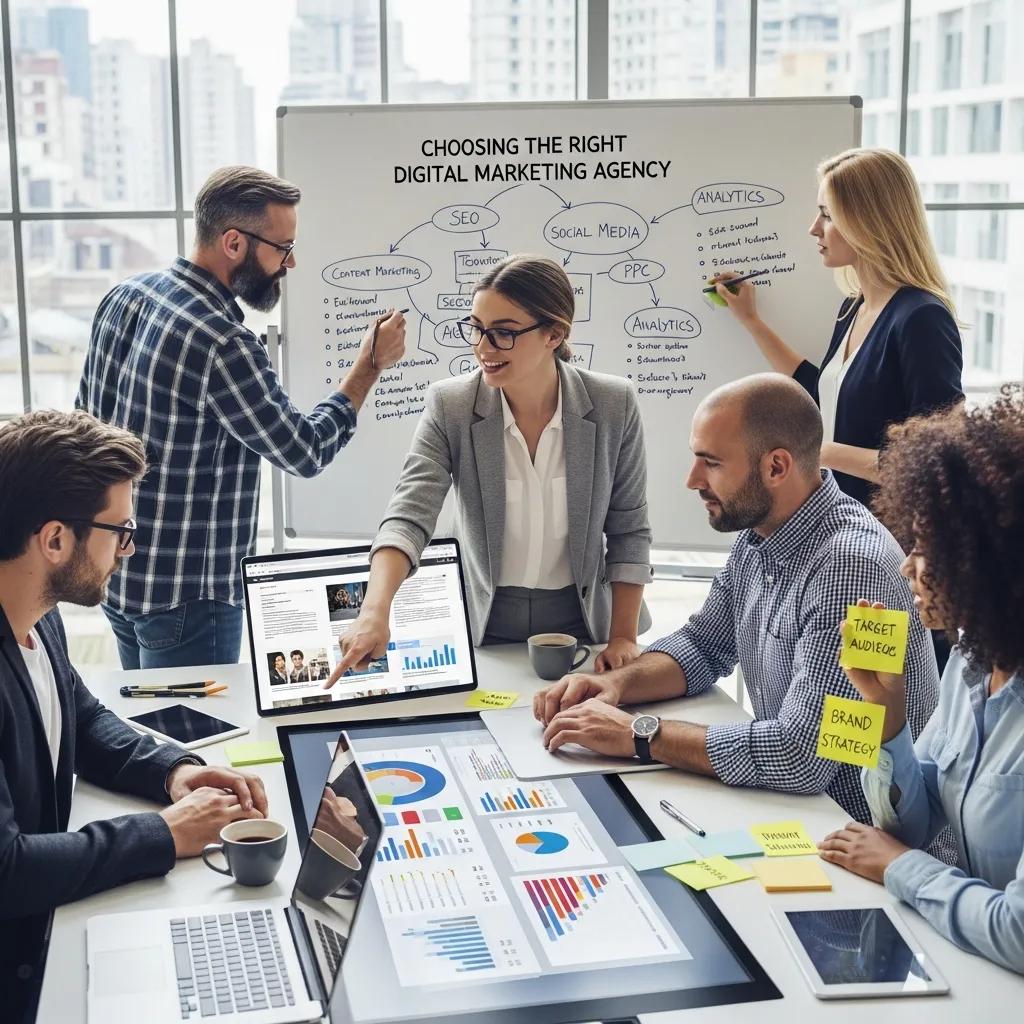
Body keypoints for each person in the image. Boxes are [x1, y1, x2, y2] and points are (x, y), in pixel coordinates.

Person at [533, 374, 942, 828]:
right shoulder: (763, 531)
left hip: (857, 831)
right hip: (798, 814)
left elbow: (802, 755)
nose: (692, 480)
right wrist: (617, 686)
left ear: (776, 467)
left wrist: (638, 733)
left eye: (710, 463)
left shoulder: (852, 570)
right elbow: (704, 644)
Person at [77, 165, 406, 670]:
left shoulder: (126, 296)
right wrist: (370, 365)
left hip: (116, 574)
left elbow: (84, 431)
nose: (291, 262)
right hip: (190, 601)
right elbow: (305, 449)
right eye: (282, 246)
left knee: (151, 736)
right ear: (234, 242)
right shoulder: (221, 343)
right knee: (198, 739)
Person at [0, 410, 270, 1021]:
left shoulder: (38, 613)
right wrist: (165, 833)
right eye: (120, 530)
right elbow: (8, 871)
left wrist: (173, 771)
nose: (130, 546)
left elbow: (83, 717)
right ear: (54, 540)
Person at [324, 254, 653, 686]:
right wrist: (374, 611)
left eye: (503, 333)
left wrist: (623, 637)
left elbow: (628, 528)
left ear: (554, 333)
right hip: (485, 620)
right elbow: (410, 513)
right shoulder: (451, 405)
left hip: (585, 625)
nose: (483, 347)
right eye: (477, 328)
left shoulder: (613, 403)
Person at [819, 386, 1024, 975]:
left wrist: (898, 867)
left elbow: (1017, 932)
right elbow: (910, 823)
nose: (905, 564)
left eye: (925, 547)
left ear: (988, 560)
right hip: (969, 966)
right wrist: (886, 718)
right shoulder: (970, 660)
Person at [710, 147, 963, 510]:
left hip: (889, 540)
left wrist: (820, 452)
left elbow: (936, 462)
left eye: (827, 215)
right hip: (841, 524)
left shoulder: (922, 318)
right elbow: (821, 395)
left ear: (867, 220)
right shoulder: (853, 308)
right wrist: (751, 321)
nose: (814, 228)